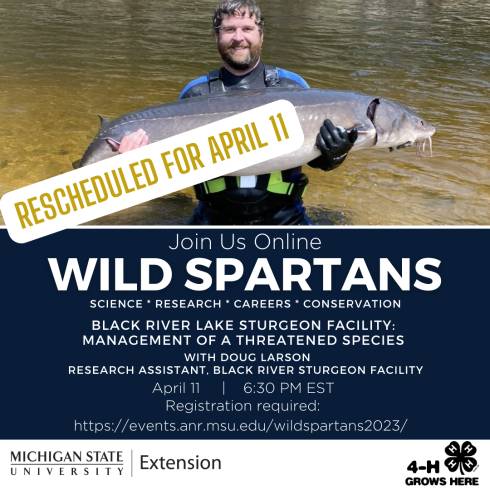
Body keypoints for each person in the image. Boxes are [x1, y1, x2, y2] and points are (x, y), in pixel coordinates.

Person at [119, 0, 357, 225]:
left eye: (247, 28)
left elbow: (319, 162)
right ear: (217, 37)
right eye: (229, 29)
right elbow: (174, 167)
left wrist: (336, 153)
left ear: (261, 35)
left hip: (286, 217)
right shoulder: (195, 94)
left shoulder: (294, 88)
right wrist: (135, 163)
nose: (239, 37)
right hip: (210, 218)